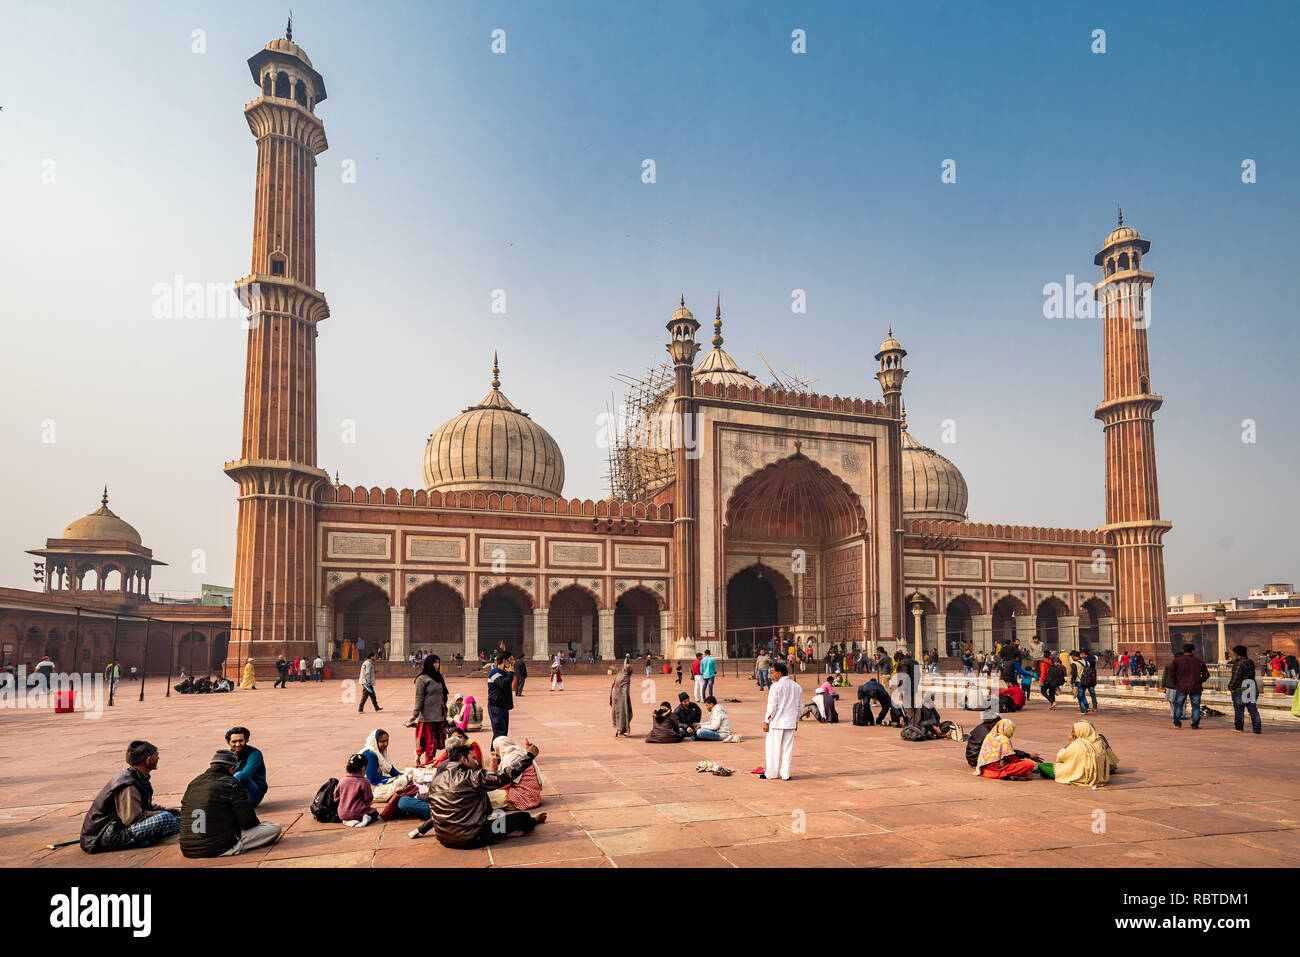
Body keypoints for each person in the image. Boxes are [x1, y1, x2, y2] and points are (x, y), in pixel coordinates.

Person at [412, 739, 546, 847]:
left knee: (493, 813)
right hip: (471, 838)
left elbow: (438, 812)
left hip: (443, 838)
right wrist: (529, 756)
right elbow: (503, 776)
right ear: (463, 760)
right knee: (522, 818)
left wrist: (420, 829)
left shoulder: (436, 780)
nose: (476, 761)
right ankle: (532, 821)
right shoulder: (472, 776)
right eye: (472, 758)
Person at [80, 741, 181, 853]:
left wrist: (162, 809)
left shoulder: (137, 776)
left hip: (117, 829)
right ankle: (140, 839)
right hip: (103, 838)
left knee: (177, 819)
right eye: (156, 755)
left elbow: (139, 806)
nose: (158, 757)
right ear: (148, 760)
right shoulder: (128, 785)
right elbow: (131, 818)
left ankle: (147, 837)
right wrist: (161, 813)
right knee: (165, 818)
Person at [180, 749, 282, 857]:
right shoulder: (232, 783)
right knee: (274, 828)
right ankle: (234, 847)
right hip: (218, 847)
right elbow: (249, 821)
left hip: (188, 848)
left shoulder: (194, 783)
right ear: (232, 768)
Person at [1039, 721, 1113, 788]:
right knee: (1054, 765)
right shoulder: (1099, 743)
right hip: (1096, 776)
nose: (1073, 733)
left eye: (1074, 731)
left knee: (1042, 766)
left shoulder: (1078, 744)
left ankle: (1056, 775)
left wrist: (1071, 742)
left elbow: (1061, 756)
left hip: (1077, 774)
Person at [762, 660, 801, 780]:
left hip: (777, 722)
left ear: (779, 673)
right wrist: (796, 721)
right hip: (790, 722)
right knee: (787, 750)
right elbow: (799, 707)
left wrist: (766, 721)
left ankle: (771, 773)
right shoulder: (797, 687)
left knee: (772, 749)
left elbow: (772, 706)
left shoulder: (776, 686)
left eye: (773, 673)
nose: (771, 675)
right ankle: (785, 774)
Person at [486, 735, 544, 811]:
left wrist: (492, 763)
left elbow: (502, 784)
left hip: (523, 798)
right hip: (533, 797)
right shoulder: (520, 753)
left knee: (485, 797)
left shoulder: (511, 757)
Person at [411, 654, 449, 765]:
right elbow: (419, 697)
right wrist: (415, 714)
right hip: (427, 718)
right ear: (429, 663)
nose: (437, 665)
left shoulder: (438, 677)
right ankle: (426, 764)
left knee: (433, 745)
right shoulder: (421, 679)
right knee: (428, 745)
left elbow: (443, 694)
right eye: (434, 662)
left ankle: (426, 762)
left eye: (438, 662)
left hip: (438, 715)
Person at [975, 719, 1044, 780]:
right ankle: (1010, 774)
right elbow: (1013, 759)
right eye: (1011, 730)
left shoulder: (990, 736)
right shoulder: (1004, 740)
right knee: (1029, 764)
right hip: (995, 772)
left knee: (1022, 764)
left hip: (984, 770)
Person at [1170, 643, 1211, 729]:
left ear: (1184, 651)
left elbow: (1172, 674)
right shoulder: (1199, 661)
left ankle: (1177, 723)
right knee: (1195, 706)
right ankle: (1195, 725)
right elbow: (1206, 674)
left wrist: (1177, 683)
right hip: (1195, 687)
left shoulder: (1177, 661)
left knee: (1178, 705)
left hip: (1181, 686)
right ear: (1193, 651)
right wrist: (1200, 681)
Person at [226, 726, 268, 807]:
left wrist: (229, 777)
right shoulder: (226, 755)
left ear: (247, 740)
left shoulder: (255, 754)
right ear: (228, 742)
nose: (238, 744)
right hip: (235, 792)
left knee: (239, 775)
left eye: (241, 741)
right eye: (234, 741)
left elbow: (245, 775)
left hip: (254, 793)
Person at [1228, 644, 1262, 735]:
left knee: (1239, 709)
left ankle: (1239, 728)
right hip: (1251, 686)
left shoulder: (1239, 663)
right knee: (1252, 709)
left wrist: (1231, 687)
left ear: (1236, 653)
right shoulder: (1250, 662)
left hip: (1241, 688)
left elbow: (1236, 677)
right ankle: (1257, 729)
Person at [335, 754, 378, 827]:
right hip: (358, 812)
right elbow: (368, 799)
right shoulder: (364, 781)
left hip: (342, 814)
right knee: (375, 813)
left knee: (346, 815)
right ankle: (366, 819)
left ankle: (347, 821)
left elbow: (336, 798)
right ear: (363, 768)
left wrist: (345, 800)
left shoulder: (342, 780)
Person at [486, 653, 514, 740]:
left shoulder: (504, 673)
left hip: (503, 706)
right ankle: (494, 752)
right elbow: (503, 684)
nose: (513, 662)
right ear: (505, 660)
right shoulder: (494, 672)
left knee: (503, 733)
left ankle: (498, 752)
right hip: (496, 707)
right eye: (511, 659)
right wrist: (510, 673)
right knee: (499, 733)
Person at [610, 662, 633, 737]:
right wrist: (626, 699)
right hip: (621, 698)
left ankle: (618, 730)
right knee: (625, 713)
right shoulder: (626, 677)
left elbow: (613, 686)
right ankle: (620, 731)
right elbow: (626, 690)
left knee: (617, 714)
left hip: (614, 697)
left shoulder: (618, 675)